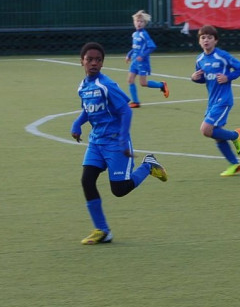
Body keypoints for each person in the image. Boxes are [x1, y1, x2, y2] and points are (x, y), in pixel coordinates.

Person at [71, 42, 168, 245]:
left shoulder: (106, 85)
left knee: (120, 189)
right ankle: (103, 231)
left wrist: (123, 139)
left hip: (116, 143)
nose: (94, 63)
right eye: (90, 59)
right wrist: (77, 123)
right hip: (96, 142)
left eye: (98, 60)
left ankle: (149, 165)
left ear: (102, 63)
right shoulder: (83, 87)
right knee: (86, 180)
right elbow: (87, 110)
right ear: (82, 62)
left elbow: (126, 110)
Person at [191, 25, 240, 177]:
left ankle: (236, 136)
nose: (206, 40)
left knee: (205, 130)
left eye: (210, 37)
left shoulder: (222, 56)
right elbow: (204, 78)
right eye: (203, 38)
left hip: (223, 100)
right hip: (212, 101)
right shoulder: (200, 59)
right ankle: (235, 164)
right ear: (199, 41)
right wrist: (195, 78)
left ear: (215, 40)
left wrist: (228, 77)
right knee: (216, 135)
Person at [125, 10, 167, 108]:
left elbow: (152, 46)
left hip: (142, 62)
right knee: (130, 80)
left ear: (145, 23)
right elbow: (134, 48)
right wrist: (129, 55)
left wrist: (142, 56)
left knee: (143, 83)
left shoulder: (144, 34)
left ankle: (162, 85)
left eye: (141, 21)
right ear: (134, 22)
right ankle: (135, 102)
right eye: (137, 21)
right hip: (135, 62)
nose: (139, 23)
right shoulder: (134, 34)